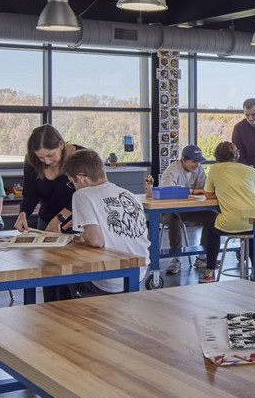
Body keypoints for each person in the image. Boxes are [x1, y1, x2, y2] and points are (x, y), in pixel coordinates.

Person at [62, 150, 149, 297]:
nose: (73, 187)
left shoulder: (81, 195)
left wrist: (83, 235)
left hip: (108, 279)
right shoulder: (129, 195)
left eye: (72, 182)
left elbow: (96, 241)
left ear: (81, 178)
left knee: (63, 275)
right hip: (139, 272)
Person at [201, 141, 255, 278]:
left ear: (217, 155)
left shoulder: (215, 169)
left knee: (211, 230)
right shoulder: (250, 170)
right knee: (251, 231)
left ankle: (209, 272)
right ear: (236, 155)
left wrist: (223, 193)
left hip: (234, 220)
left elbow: (207, 194)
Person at [156, 144, 211, 275]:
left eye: (198, 161)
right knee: (175, 220)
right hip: (167, 210)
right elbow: (167, 190)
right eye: (193, 161)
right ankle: (176, 259)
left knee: (212, 217)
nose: (196, 164)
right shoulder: (172, 170)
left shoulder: (199, 169)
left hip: (188, 209)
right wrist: (192, 191)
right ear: (184, 159)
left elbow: (203, 188)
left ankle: (202, 256)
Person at [15, 125, 75, 233]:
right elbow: (30, 194)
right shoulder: (31, 161)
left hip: (76, 221)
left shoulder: (80, 156)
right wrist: (23, 214)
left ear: (61, 144)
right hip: (46, 220)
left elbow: (85, 194)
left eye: (50, 155)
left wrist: (59, 219)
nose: (47, 161)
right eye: (41, 157)